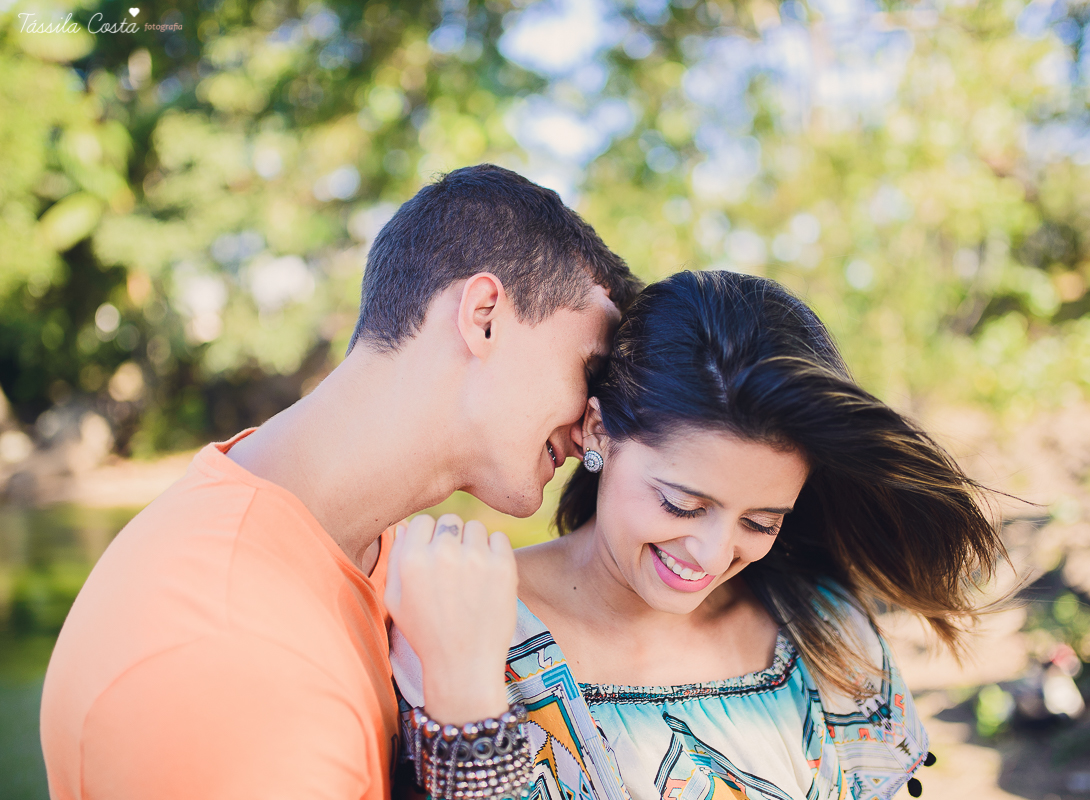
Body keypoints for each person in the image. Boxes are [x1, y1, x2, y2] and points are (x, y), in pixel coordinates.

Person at [39, 164, 642, 800]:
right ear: (484, 315)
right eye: (590, 369)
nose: (592, 430)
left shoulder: (382, 554)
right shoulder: (226, 653)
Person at [386, 270, 1006, 800]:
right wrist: (466, 702)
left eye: (761, 521)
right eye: (681, 504)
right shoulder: (467, 620)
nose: (712, 554)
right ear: (599, 432)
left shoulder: (827, 628)